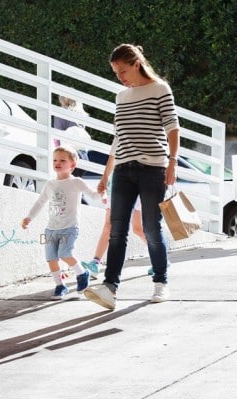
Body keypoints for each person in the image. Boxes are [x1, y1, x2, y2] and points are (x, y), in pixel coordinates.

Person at [84, 44, 180, 310]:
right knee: (117, 229)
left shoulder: (160, 89)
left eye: (123, 71)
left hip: (153, 168)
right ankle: (110, 288)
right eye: (116, 73)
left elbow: (173, 128)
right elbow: (119, 138)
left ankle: (161, 281)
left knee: (151, 227)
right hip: (124, 170)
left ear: (136, 63)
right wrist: (107, 173)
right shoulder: (120, 96)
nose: (120, 77)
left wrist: (172, 163)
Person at [22, 145, 102, 300]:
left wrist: (101, 194)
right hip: (51, 229)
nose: (57, 163)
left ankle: (82, 273)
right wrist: (29, 217)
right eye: (55, 160)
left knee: (65, 254)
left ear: (72, 165)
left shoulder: (76, 182)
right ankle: (60, 286)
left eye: (62, 160)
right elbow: (40, 202)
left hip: (70, 227)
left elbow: (92, 195)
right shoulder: (50, 184)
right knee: (51, 258)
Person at [81, 153, 147, 277]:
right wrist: (104, 181)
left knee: (138, 229)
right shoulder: (120, 136)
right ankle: (95, 262)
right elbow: (112, 159)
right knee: (109, 225)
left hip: (138, 184)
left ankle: (159, 258)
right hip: (118, 185)